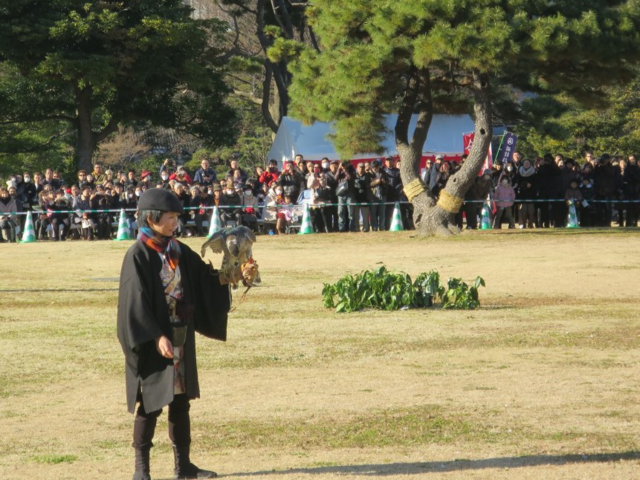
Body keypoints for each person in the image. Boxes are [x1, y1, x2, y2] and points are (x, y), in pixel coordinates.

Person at [117, 188, 254, 480]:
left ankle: (184, 467)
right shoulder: (138, 255)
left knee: (181, 403)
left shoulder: (176, 249)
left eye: (176, 217)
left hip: (180, 336)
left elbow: (205, 279)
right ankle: (141, 471)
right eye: (169, 217)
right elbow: (135, 302)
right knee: (150, 407)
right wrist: (156, 336)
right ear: (152, 218)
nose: (174, 222)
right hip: (155, 341)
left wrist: (232, 274)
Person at [369, 160, 389, 231]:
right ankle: (374, 228)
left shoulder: (383, 172)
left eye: (376, 167)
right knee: (373, 213)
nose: (375, 169)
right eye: (373, 167)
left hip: (382, 194)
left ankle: (382, 227)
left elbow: (387, 182)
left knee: (382, 212)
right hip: (373, 195)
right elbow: (368, 185)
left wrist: (383, 181)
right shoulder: (369, 173)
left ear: (379, 167)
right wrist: (376, 182)